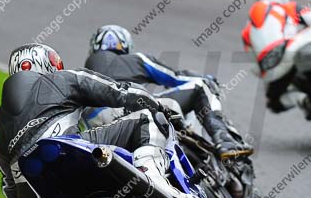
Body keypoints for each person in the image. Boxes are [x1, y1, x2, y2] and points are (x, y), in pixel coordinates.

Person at [0, 43, 195, 198]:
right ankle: (156, 181)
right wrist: (153, 102)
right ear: (48, 64)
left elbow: (11, 190)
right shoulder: (61, 79)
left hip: (38, 186)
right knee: (147, 119)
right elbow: (118, 92)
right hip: (67, 150)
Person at [83, 25, 253, 161]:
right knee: (201, 86)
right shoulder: (137, 59)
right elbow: (175, 77)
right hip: (137, 111)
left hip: (98, 129)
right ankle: (224, 140)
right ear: (126, 45)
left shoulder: (83, 75)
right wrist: (207, 78)